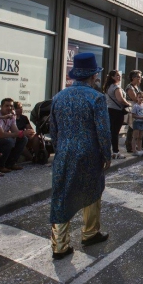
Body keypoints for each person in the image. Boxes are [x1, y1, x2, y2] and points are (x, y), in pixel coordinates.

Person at [49, 52, 112, 259]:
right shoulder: (96, 97)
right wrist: (106, 154)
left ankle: (59, 245)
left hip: (64, 152)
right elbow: (102, 130)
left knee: (61, 195)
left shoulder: (59, 96)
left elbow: (54, 129)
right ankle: (90, 232)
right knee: (93, 191)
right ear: (93, 75)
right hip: (89, 153)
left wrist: (59, 150)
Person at [0, 97, 30, 173]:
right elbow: (1, 135)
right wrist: (19, 134)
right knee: (9, 141)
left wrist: (23, 133)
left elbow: (15, 131)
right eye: (6, 106)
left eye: (11, 106)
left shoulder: (12, 116)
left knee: (23, 139)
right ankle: (0, 166)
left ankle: (11, 163)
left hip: (1, 139)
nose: (9, 108)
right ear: (1, 107)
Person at [103, 70, 129, 159]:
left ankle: (109, 151)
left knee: (111, 132)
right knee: (115, 132)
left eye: (119, 75)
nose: (119, 77)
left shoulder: (108, 87)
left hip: (110, 110)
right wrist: (128, 104)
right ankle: (116, 152)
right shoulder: (116, 87)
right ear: (112, 77)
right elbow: (120, 99)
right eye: (117, 75)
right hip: (116, 111)